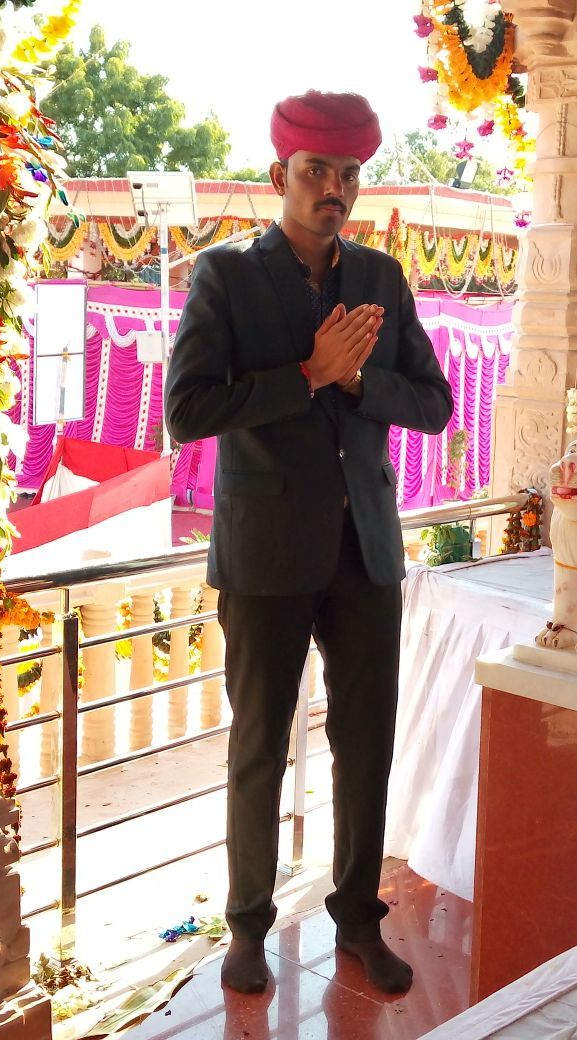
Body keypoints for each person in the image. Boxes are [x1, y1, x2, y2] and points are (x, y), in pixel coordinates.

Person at [165, 90, 453, 996]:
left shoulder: (381, 279)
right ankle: (247, 926)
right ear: (278, 177)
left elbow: (434, 404)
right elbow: (187, 412)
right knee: (258, 747)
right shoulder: (225, 277)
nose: (334, 188)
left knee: (366, 747)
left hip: (365, 552)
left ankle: (358, 918)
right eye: (315, 171)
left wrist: (359, 380)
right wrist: (307, 373)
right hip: (264, 554)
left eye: (348, 174)